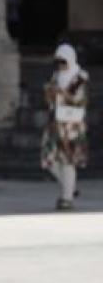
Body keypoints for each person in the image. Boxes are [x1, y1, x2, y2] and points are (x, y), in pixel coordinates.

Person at [42, 43, 89, 210]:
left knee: (68, 161)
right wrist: (49, 93)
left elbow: (78, 100)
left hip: (72, 125)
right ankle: (70, 187)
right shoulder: (56, 76)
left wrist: (61, 93)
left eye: (63, 61)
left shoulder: (79, 77)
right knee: (50, 160)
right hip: (55, 122)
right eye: (58, 61)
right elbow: (50, 100)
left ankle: (66, 198)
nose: (61, 65)